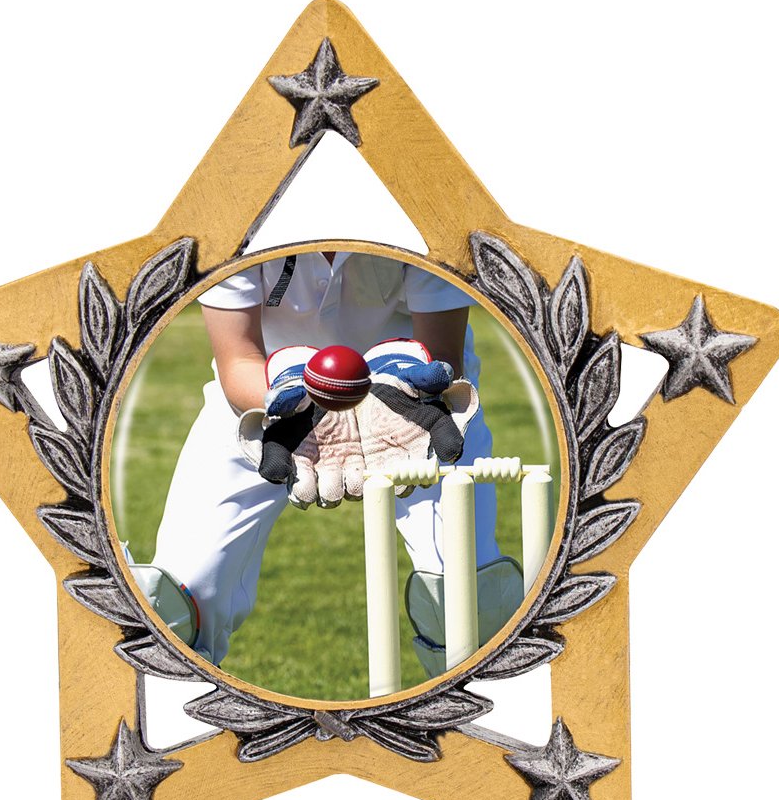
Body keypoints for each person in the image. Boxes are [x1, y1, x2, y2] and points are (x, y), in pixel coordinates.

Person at [132, 250, 520, 680]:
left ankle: (479, 716)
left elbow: (443, 351)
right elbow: (237, 358)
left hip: (415, 398)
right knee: (171, 602)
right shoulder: (232, 224)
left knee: (470, 602)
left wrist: (397, 390)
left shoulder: (426, 216)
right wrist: (291, 399)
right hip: (269, 394)